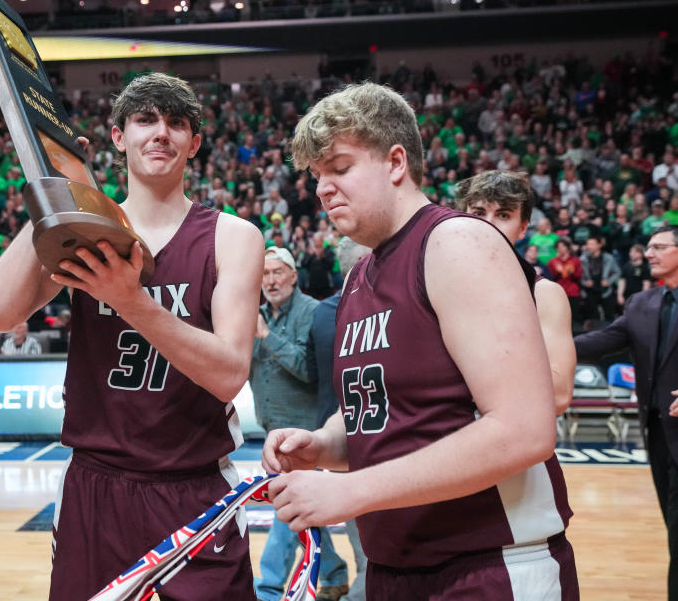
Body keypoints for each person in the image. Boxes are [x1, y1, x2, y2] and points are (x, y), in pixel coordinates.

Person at [264, 83, 577, 599]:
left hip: (488, 565)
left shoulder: (457, 242)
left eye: (339, 168)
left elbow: (525, 429)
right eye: (317, 175)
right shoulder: (359, 273)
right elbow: (390, 420)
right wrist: (321, 445)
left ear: (395, 162)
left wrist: (351, 490)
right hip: (398, 567)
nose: (322, 188)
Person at [0, 72, 264, 600]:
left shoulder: (232, 236)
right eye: (145, 120)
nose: (161, 134)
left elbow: (228, 376)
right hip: (95, 486)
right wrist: (55, 191)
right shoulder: (84, 227)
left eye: (177, 124)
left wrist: (131, 300)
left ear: (194, 143)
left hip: (194, 487)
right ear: (117, 137)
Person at [574, 225, 678, 599]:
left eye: (658, 247)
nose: (648, 254)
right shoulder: (641, 303)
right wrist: (546, 344)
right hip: (659, 435)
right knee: (674, 529)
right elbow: (601, 342)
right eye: (647, 247)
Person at [249, 245, 349, 601]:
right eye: (264, 274)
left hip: (306, 432)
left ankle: (268, 590)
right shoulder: (254, 313)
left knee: (284, 505)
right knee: (303, 511)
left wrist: (265, 336)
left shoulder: (312, 312)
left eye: (278, 272)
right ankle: (335, 573)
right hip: (271, 426)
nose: (271, 280)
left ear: (294, 276)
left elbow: (310, 371)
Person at [457, 169, 575, 414]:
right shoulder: (431, 281)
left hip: (514, 446)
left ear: (523, 229)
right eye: (478, 213)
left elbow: (558, 395)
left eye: (503, 215)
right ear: (461, 219)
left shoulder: (544, 294)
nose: (488, 224)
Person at [308, 237, 372, 601]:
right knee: (372, 547)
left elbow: (314, 373)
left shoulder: (320, 313)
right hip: (364, 437)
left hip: (335, 436)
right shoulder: (374, 309)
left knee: (360, 538)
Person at [579, 235, 622, 322]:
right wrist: (585, 282)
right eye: (588, 244)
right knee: (593, 317)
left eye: (592, 244)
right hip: (590, 291)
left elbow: (617, 272)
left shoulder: (608, 258)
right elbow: (579, 276)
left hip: (605, 290)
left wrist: (609, 281)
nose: (589, 246)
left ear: (599, 245)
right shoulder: (583, 259)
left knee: (609, 316)